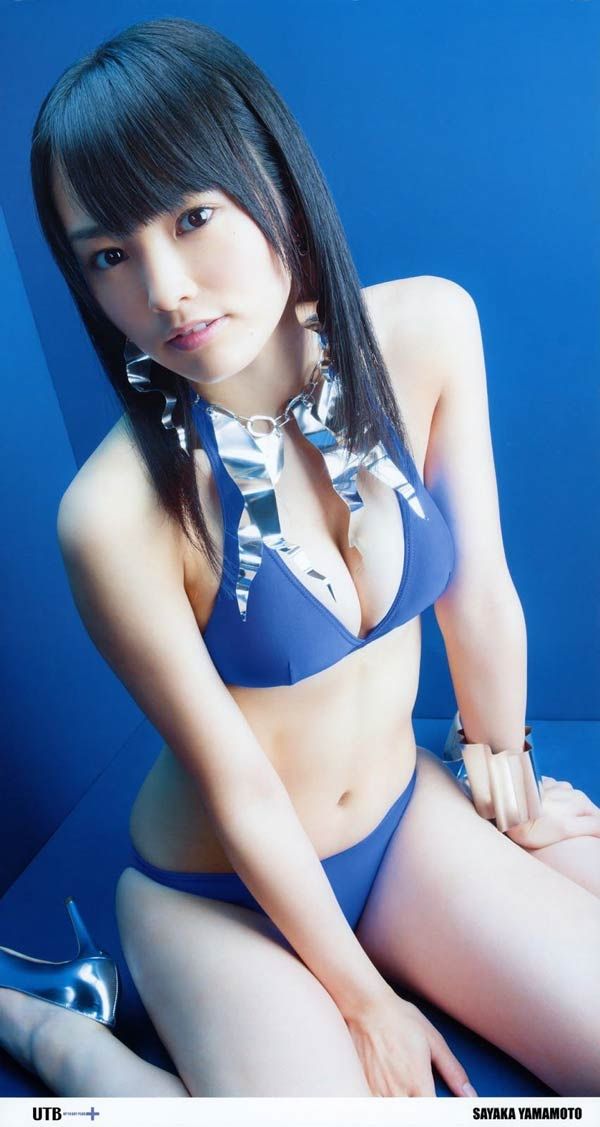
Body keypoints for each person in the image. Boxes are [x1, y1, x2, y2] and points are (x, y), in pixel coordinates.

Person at [1, 15, 599, 1100]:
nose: (165, 289)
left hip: (403, 822)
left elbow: (479, 598)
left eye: (192, 216)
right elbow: (238, 783)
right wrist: (367, 999)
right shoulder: (114, 515)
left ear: (270, 179)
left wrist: (508, 788)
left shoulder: (426, 331)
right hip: (216, 890)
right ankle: (60, 1031)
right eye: (109, 256)